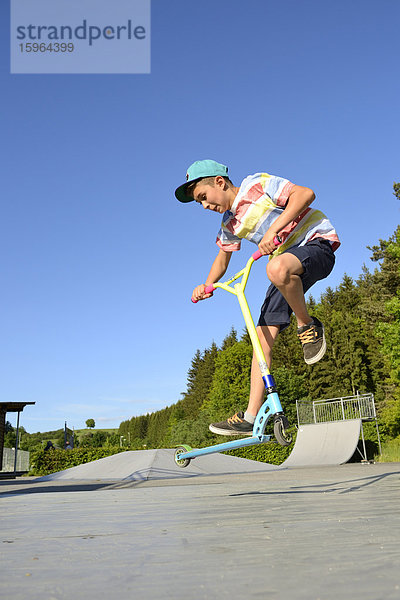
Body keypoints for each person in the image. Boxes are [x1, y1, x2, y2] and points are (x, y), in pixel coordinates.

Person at [175, 159, 340, 436]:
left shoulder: (256, 185)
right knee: (260, 336)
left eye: (203, 197)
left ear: (219, 182)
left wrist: (275, 230)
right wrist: (207, 285)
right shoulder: (230, 222)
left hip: (315, 244)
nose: (204, 205)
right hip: (285, 266)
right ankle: (251, 416)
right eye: (198, 203)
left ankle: (307, 325)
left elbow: (305, 194)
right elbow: (223, 257)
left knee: (275, 268)